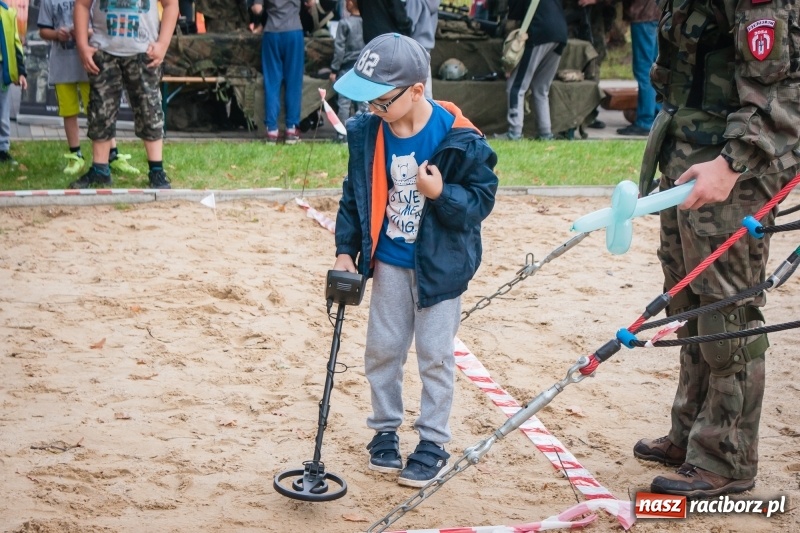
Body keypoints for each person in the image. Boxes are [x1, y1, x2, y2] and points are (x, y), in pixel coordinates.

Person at [633, 0, 800, 498]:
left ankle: (726, 457)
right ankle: (691, 434)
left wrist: (730, 165)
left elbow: (782, 93)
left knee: (728, 311)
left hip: (733, 170)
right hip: (687, 156)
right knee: (688, 303)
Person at [332, 33, 498, 487]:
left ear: (416, 91)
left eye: (380, 101)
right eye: (365, 100)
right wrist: (346, 250)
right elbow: (355, 197)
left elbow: (481, 200)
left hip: (440, 269)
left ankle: (432, 442)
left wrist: (441, 193)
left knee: (435, 356)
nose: (372, 110)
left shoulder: (458, 138)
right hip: (387, 262)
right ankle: (384, 431)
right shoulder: (368, 134)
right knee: (383, 350)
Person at [72, 0, 179, 189]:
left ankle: (157, 171)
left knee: (149, 110)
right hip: (104, 51)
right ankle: (100, 169)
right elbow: (81, 4)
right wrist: (82, 45)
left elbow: (171, 5)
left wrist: (163, 44)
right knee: (100, 111)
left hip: (143, 52)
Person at [37, 0, 141, 179]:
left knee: (100, 110)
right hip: (62, 65)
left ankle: (112, 154)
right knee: (69, 111)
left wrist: (84, 33)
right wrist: (56, 34)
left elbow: (102, 27)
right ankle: (75, 154)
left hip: (91, 63)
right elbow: (43, 31)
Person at [501, 0, 567, 141]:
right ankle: (545, 132)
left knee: (516, 86)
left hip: (539, 33)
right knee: (541, 88)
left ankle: (515, 132)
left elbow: (514, 15)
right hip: (560, 34)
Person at [251, 0, 304, 144]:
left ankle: (272, 130)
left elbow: (257, 9)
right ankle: (291, 129)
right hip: (294, 31)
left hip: (272, 32)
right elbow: (311, 3)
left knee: (272, 82)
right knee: (293, 82)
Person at [615, 0, 659, 136]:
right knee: (656, 68)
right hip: (659, 15)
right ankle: (657, 115)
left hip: (643, 16)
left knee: (644, 71)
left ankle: (645, 120)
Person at [329, 0, 367, 139]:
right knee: (363, 102)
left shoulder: (344, 23)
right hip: (363, 68)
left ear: (350, 3)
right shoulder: (367, 22)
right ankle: (362, 132)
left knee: (344, 102)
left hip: (346, 68)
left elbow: (339, 49)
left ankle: (341, 133)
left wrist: (334, 69)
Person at [0, 0, 27, 166]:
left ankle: (2, 148)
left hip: (2, 69)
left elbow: (16, 43)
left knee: (3, 109)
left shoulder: (7, 12)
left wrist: (21, 71)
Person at [406, 0, 439, 99]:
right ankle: (430, 109)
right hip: (426, 45)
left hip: (413, 44)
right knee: (425, 83)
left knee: (413, 84)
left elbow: (409, 22)